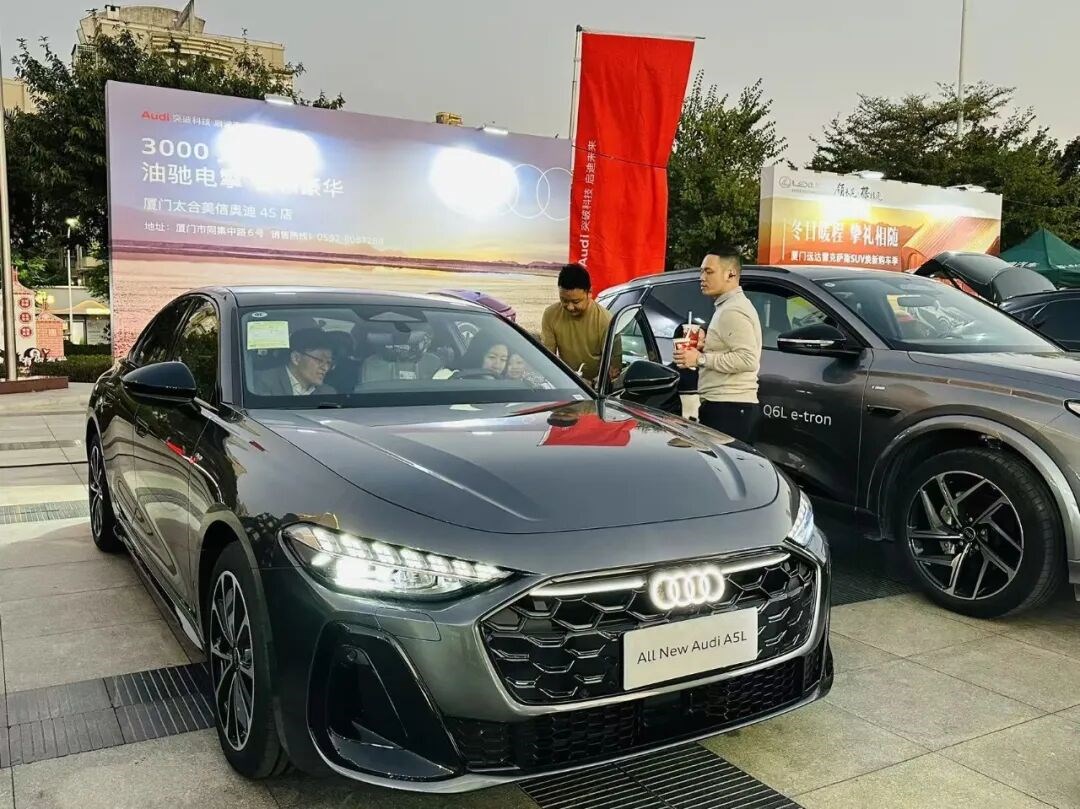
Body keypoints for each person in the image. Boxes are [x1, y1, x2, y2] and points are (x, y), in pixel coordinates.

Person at [674, 248, 763, 444]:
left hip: (730, 407)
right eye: (701, 271)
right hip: (727, 406)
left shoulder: (733, 310)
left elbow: (747, 359)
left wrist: (700, 359)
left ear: (731, 274)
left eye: (709, 272)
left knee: (726, 463)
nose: (702, 277)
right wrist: (706, 344)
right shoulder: (728, 307)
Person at [540, 263, 612, 385]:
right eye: (564, 300)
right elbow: (547, 358)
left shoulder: (605, 320)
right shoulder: (550, 315)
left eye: (576, 301)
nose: (570, 307)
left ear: (589, 293)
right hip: (564, 383)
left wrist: (592, 384)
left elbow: (613, 369)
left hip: (595, 388)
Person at [253, 328, 338, 396]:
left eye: (328, 363)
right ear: (296, 358)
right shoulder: (263, 382)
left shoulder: (328, 393)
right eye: (319, 360)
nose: (325, 368)